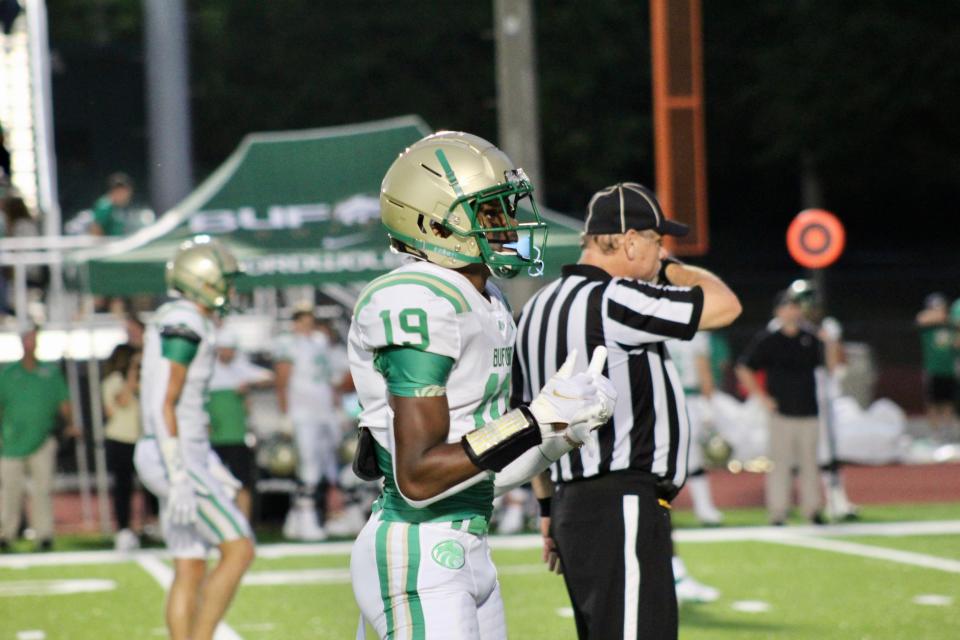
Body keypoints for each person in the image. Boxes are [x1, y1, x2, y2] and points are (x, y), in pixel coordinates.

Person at [347, 131, 614, 639]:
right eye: (489, 212)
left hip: (465, 547)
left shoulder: (484, 298)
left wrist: (560, 432)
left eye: (506, 210)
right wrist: (532, 418)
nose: (509, 225)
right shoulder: (417, 298)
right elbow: (420, 477)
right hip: (420, 551)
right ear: (432, 223)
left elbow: (483, 471)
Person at [514, 182, 741, 638]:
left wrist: (546, 508)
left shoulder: (536, 307)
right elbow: (724, 305)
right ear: (631, 240)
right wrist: (673, 271)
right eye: (658, 242)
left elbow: (528, 422)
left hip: (569, 503)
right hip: (621, 501)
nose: (660, 253)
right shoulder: (614, 298)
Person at [133, 236, 255, 640]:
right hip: (173, 452)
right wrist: (180, 472)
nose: (231, 289)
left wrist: (208, 463)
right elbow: (162, 402)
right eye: (225, 280)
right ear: (203, 280)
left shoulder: (181, 317)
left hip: (176, 450)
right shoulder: (185, 322)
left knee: (189, 563)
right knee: (239, 549)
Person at [736, 287, 831, 526]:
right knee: (781, 464)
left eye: (795, 307)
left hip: (809, 410)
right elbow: (744, 367)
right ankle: (778, 512)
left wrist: (831, 343)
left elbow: (830, 367)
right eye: (787, 307)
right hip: (781, 412)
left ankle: (813, 509)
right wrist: (762, 397)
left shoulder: (811, 338)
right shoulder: (770, 339)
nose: (791, 311)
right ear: (778, 311)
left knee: (810, 463)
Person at [273, 303, 351, 541]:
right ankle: (304, 519)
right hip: (303, 412)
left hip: (324, 411)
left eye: (309, 320)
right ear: (295, 323)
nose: (306, 325)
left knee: (329, 465)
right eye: (302, 321)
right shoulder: (288, 344)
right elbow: (282, 381)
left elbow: (329, 378)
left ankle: (318, 516)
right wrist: (285, 413)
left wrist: (337, 407)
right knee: (308, 467)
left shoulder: (320, 342)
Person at [0, 326, 78, 552]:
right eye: (28, 341)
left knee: (42, 490)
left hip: (43, 439)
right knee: (10, 490)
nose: (30, 346)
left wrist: (71, 425)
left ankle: (43, 535)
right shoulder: (8, 374)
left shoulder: (50, 373)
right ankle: (6, 533)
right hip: (12, 442)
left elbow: (64, 402)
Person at [786, 278, 858, 521]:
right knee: (800, 453)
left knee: (829, 452)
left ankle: (837, 500)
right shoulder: (788, 328)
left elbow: (837, 360)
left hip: (824, 394)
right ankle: (802, 501)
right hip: (799, 394)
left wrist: (834, 362)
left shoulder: (827, 327)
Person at [207, 325, 274, 520]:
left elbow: (268, 377)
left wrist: (249, 386)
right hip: (215, 436)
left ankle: (243, 523)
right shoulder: (209, 370)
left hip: (237, 435)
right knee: (215, 483)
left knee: (242, 481)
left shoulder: (240, 368)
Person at [667, 331, 724, 526]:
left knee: (664, 459)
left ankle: (665, 509)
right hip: (687, 401)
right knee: (692, 458)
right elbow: (704, 371)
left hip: (662, 401)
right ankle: (704, 509)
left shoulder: (652, 328)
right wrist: (709, 405)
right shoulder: (694, 335)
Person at [102, 343, 151, 551]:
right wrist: (132, 377)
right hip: (120, 439)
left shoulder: (144, 383)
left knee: (150, 485)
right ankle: (124, 528)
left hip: (142, 439)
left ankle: (149, 524)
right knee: (123, 487)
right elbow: (120, 403)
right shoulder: (113, 382)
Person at [915, 293, 958, 439]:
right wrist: (943, 315)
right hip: (932, 369)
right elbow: (921, 319)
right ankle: (935, 433)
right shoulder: (928, 327)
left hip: (949, 370)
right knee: (933, 403)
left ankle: (946, 432)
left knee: (948, 402)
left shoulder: (952, 326)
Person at [89, 172, 134, 237]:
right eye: (120, 192)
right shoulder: (104, 206)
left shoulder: (122, 206)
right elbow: (95, 229)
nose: (123, 195)